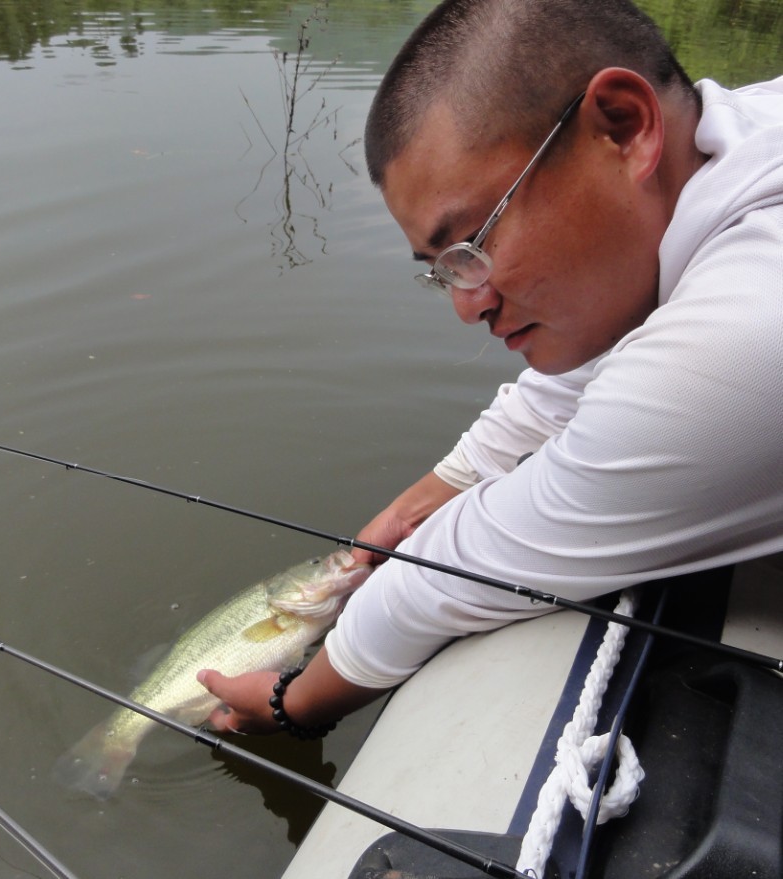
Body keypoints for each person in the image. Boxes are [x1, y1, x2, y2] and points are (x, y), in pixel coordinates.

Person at [197, 0, 783, 736]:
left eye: (473, 243)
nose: (466, 306)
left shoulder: (752, 327)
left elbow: (461, 567)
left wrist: (295, 702)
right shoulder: (742, 136)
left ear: (623, 127)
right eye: (443, 269)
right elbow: (557, 396)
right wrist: (405, 516)